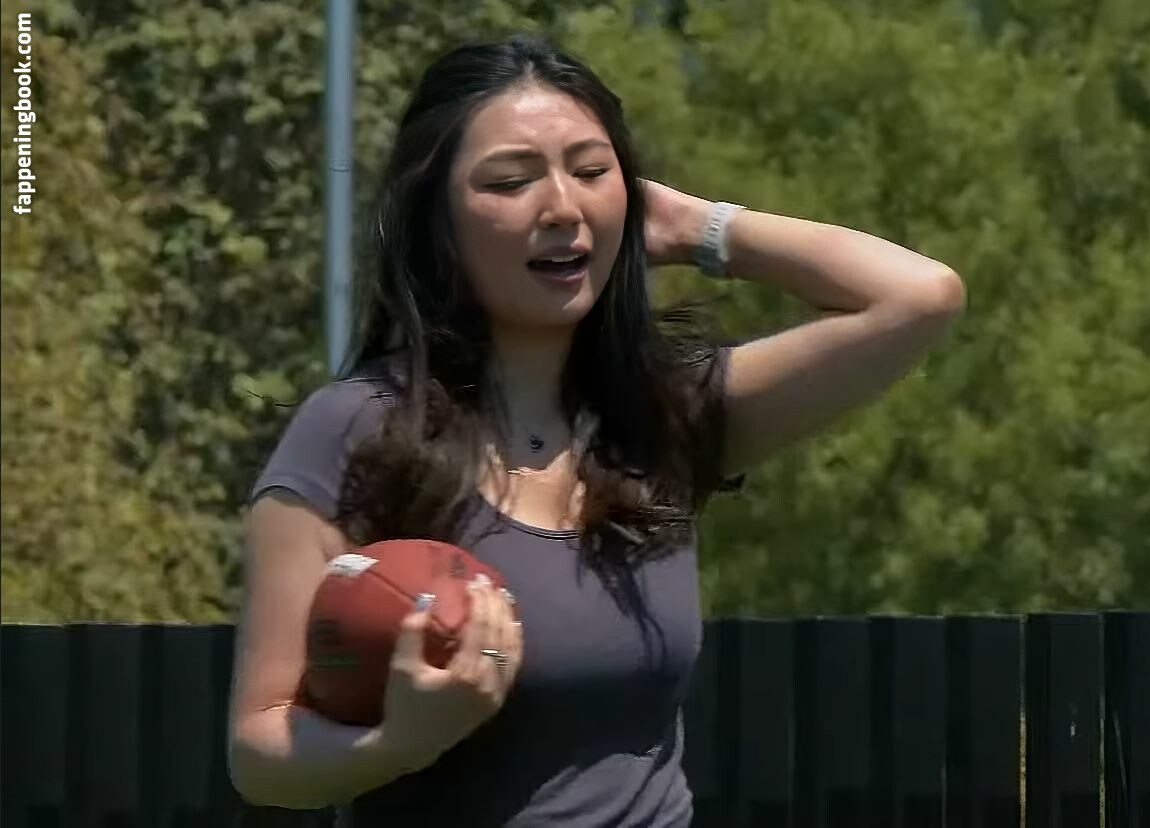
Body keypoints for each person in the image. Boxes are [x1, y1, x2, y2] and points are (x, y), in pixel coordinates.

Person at [226, 34, 964, 826]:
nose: (562, 208)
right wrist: (399, 743)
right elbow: (260, 751)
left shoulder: (662, 417)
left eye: (589, 171)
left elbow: (917, 297)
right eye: (510, 181)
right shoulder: (355, 428)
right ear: (434, 218)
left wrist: (694, 226)